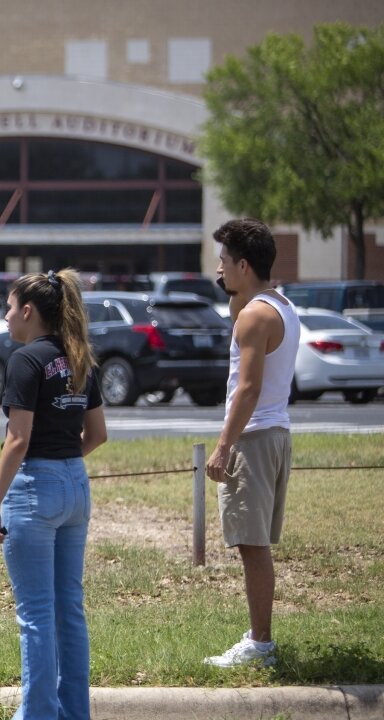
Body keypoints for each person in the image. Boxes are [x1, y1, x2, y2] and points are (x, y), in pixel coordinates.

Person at [0, 269, 106, 720]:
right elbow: (97, 434)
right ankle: (74, 713)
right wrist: (66, 461)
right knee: (68, 609)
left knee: (35, 614)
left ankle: (36, 715)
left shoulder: (24, 360)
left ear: (29, 311)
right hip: (75, 483)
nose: (7, 316)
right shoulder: (78, 356)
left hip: (35, 488)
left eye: (10, 307)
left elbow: (18, 438)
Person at [204, 218, 298, 669]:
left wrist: (224, 445)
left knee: (251, 545)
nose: (218, 270)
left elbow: (248, 389)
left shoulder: (254, 317)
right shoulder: (279, 304)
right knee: (254, 543)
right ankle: (260, 637)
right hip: (275, 433)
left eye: (223, 261)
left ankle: (261, 646)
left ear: (243, 264)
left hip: (254, 437)